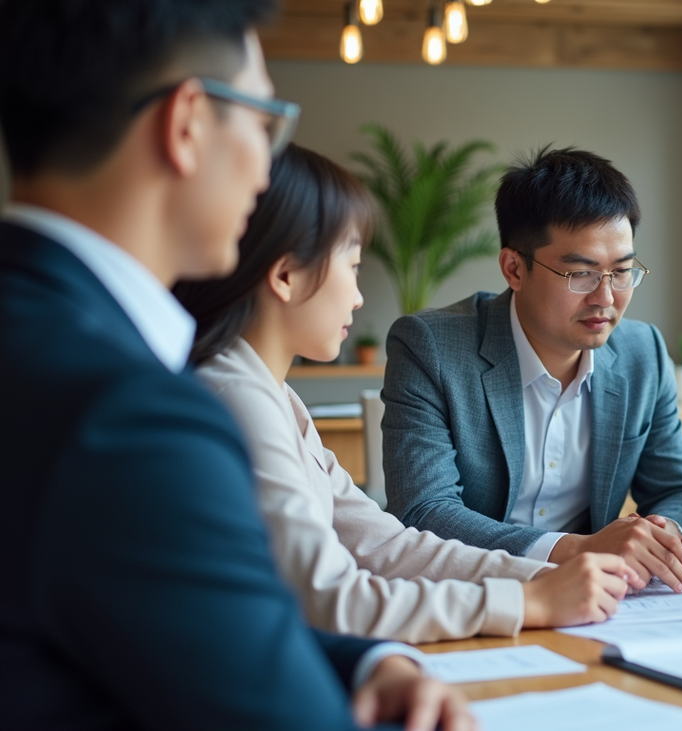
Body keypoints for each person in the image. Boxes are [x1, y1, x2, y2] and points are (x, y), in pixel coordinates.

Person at [0, 2, 472, 729]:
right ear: (187, 124)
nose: (265, 168)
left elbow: (153, 618)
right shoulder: (132, 416)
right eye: (263, 122)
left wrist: (366, 661)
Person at [176, 143, 634, 643]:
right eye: (351, 267)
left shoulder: (275, 397)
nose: (358, 296)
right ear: (286, 275)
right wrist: (529, 599)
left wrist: (546, 579)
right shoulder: (235, 396)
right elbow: (328, 596)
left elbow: (387, 546)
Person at [383, 146, 682, 593]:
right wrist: (577, 549)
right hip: (476, 593)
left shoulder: (642, 352)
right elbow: (424, 511)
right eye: (581, 275)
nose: (606, 299)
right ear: (514, 268)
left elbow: (680, 490)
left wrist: (661, 534)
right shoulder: (431, 347)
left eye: (622, 271)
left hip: (602, 603)